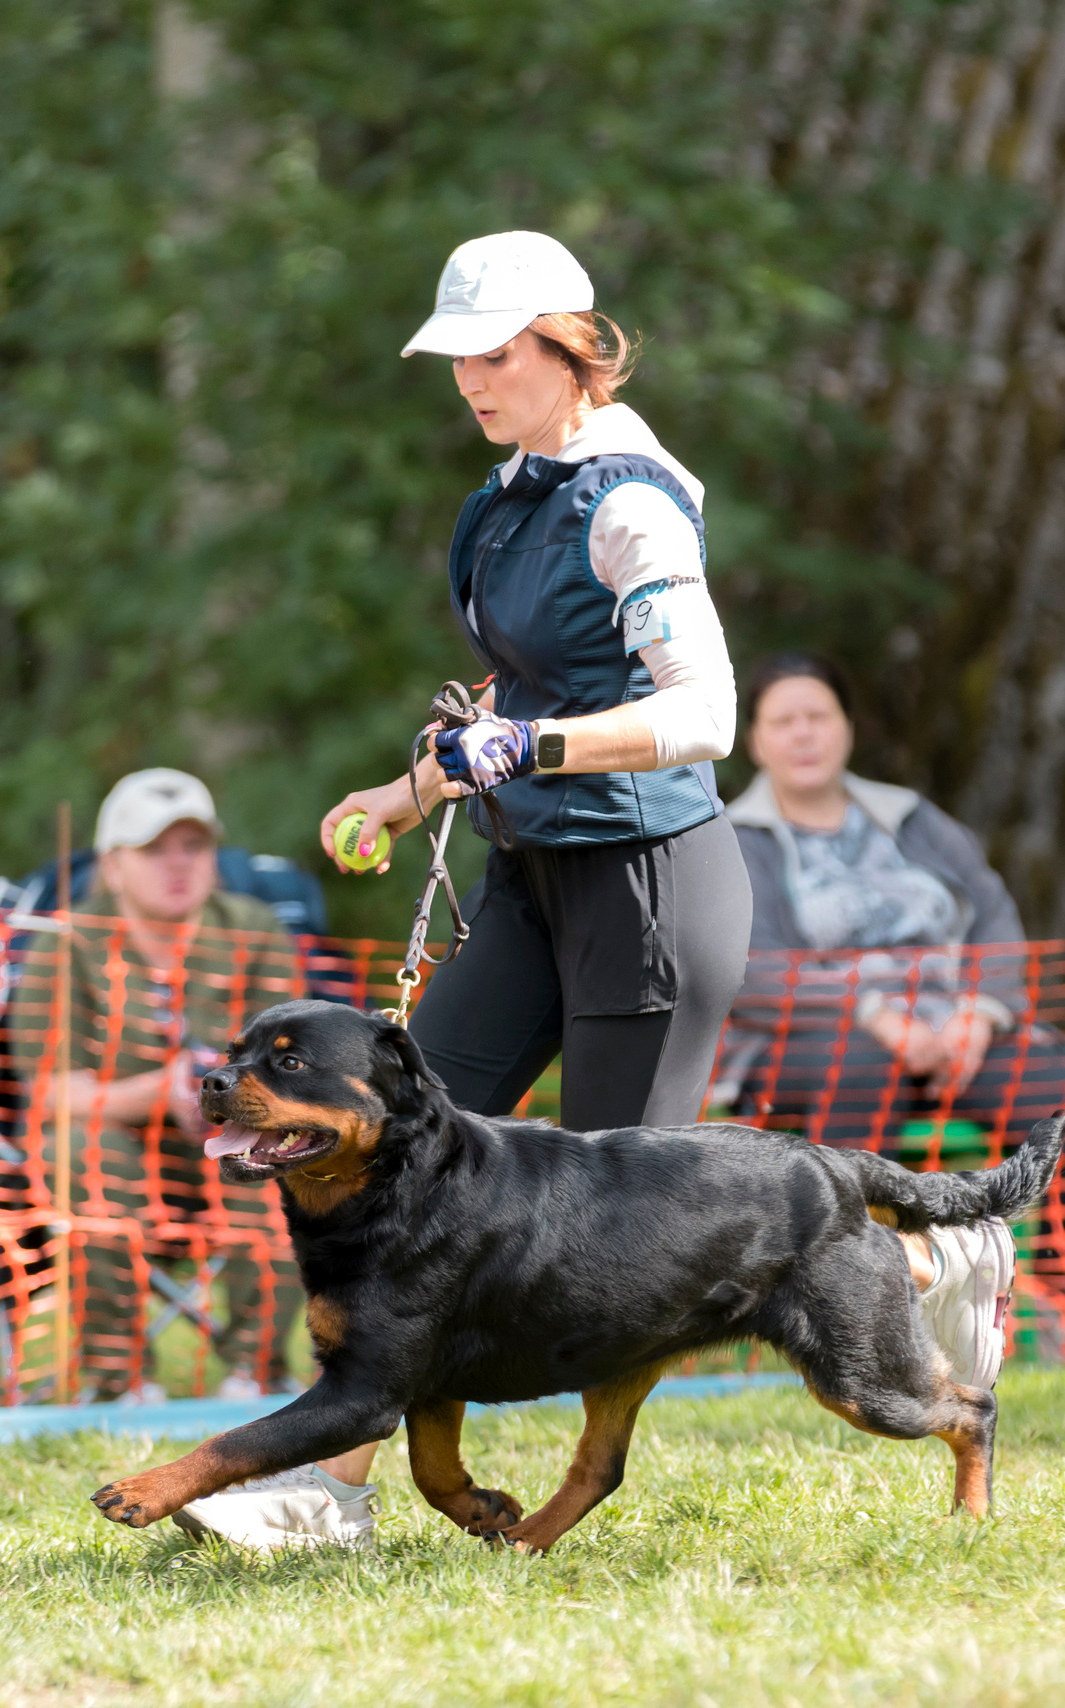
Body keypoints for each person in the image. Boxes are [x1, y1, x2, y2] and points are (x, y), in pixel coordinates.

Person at [181, 228, 757, 1552]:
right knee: (379, 1151)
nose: (474, 383)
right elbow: (527, 688)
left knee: (629, 1239)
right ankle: (333, 1487)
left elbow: (707, 712)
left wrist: (535, 747)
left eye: (498, 357)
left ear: (572, 348)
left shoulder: (632, 505)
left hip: (652, 894)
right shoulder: (506, 495)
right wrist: (413, 788)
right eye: (459, 361)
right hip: (531, 883)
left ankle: (922, 1268)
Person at [724, 653, 1065, 1310]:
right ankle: (848, 1312)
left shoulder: (915, 820)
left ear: (848, 727)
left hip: (953, 1034)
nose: (804, 734)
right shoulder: (735, 840)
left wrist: (980, 1013)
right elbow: (748, 970)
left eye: (818, 717)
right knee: (862, 1066)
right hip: (819, 1043)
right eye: (784, 721)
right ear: (755, 740)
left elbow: (995, 916)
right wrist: (876, 1016)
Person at [44, 769, 306, 1407]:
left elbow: (295, 1067)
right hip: (118, 1152)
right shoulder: (67, 942)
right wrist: (160, 1092)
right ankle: (120, 1382)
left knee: (290, 1153)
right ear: (112, 865)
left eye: (193, 846)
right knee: (82, 1145)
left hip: (237, 1139)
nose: (177, 864)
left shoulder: (256, 928)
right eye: (154, 849)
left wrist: (227, 1105)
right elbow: (55, 1094)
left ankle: (260, 1373)